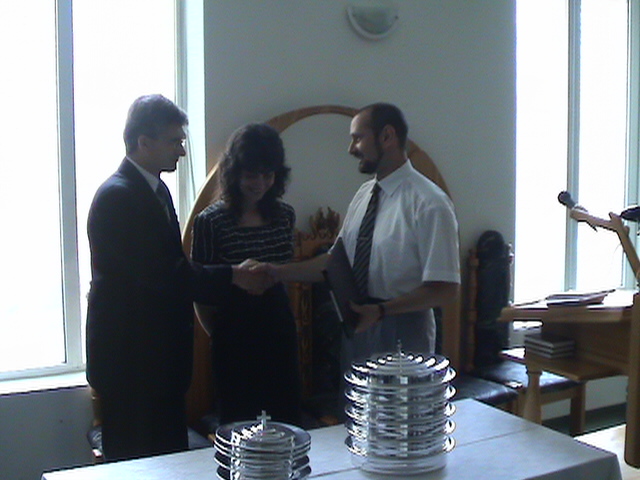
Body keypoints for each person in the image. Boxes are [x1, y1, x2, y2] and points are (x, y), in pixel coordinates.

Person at [86, 94, 268, 461]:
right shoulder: (118, 197)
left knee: (168, 463)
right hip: (131, 366)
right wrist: (233, 276)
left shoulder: (154, 190)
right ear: (144, 142)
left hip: (156, 365)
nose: (182, 152)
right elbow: (164, 276)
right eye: (174, 142)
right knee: (139, 466)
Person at [260, 102, 460, 368]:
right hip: (357, 326)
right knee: (355, 396)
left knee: (398, 398)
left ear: (387, 136)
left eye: (357, 138)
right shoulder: (364, 195)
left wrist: (381, 311)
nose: (351, 149)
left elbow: (445, 289)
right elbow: (335, 263)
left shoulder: (430, 203)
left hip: (405, 331)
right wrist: (274, 272)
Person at [191, 123, 302, 426]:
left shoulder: (284, 216)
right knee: (238, 423)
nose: (260, 183)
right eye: (252, 175)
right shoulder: (210, 221)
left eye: (268, 175)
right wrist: (219, 334)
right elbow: (201, 290)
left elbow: (287, 279)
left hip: (278, 329)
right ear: (235, 172)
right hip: (233, 333)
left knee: (285, 419)